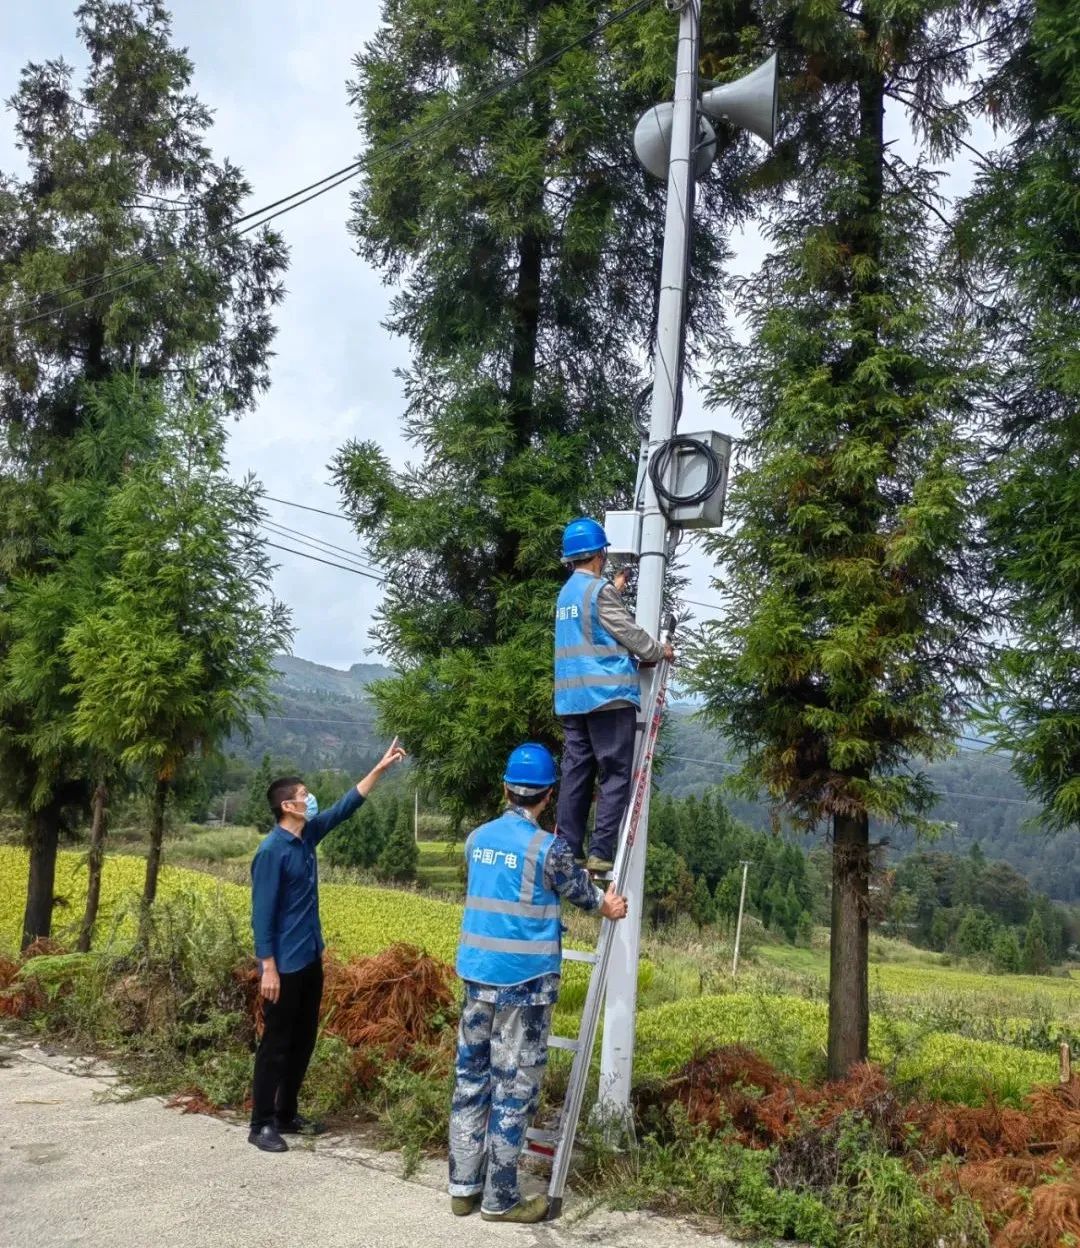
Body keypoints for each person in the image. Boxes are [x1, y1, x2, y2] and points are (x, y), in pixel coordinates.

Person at [448, 743, 628, 1223]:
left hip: (476, 977)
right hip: (523, 984)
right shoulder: (549, 849)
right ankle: (500, 1199)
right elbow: (584, 895)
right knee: (513, 1087)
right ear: (548, 795)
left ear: (506, 788)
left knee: (471, 1081)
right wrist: (608, 906)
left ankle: (463, 1187)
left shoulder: (476, 839)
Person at [248, 737, 407, 1153]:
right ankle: (261, 1123)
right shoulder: (272, 852)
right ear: (288, 806)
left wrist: (379, 768)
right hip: (282, 966)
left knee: (304, 1040)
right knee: (276, 1045)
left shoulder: (307, 837)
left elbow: (344, 808)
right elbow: (261, 913)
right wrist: (267, 966)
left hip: (309, 958)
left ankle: (287, 1113)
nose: (310, 799)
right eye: (303, 796)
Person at [553, 517, 674, 873]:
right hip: (608, 697)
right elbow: (630, 634)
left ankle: (569, 849)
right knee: (615, 773)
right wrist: (658, 651)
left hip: (573, 701)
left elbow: (591, 622)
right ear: (599, 555)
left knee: (576, 773)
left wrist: (615, 589)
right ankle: (601, 853)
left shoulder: (568, 594)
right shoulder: (600, 592)